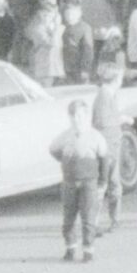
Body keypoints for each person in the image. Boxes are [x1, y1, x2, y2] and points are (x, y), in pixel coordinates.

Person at [49, 99, 109, 263]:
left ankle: (88, 250)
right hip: (69, 182)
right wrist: (67, 162)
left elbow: (104, 159)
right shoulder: (64, 137)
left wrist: (102, 183)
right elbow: (54, 150)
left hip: (89, 182)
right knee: (68, 218)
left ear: (87, 116)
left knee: (88, 218)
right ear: (69, 117)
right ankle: (70, 248)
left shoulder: (96, 137)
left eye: (81, 115)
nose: (78, 119)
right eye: (74, 115)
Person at [92, 62, 128, 235]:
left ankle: (115, 220)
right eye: (120, 77)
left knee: (113, 183)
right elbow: (101, 122)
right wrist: (122, 120)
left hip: (113, 143)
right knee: (103, 184)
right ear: (114, 79)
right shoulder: (104, 96)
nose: (122, 81)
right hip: (106, 146)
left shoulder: (109, 94)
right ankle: (94, 223)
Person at [28, 0, 65, 86]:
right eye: (50, 2)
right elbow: (50, 43)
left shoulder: (56, 17)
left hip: (55, 64)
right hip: (44, 65)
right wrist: (57, 27)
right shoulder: (38, 22)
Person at [60, 0, 95, 84]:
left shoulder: (85, 28)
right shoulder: (62, 28)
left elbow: (88, 50)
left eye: (72, 13)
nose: (69, 16)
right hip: (64, 69)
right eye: (67, 13)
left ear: (79, 13)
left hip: (78, 69)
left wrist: (85, 69)